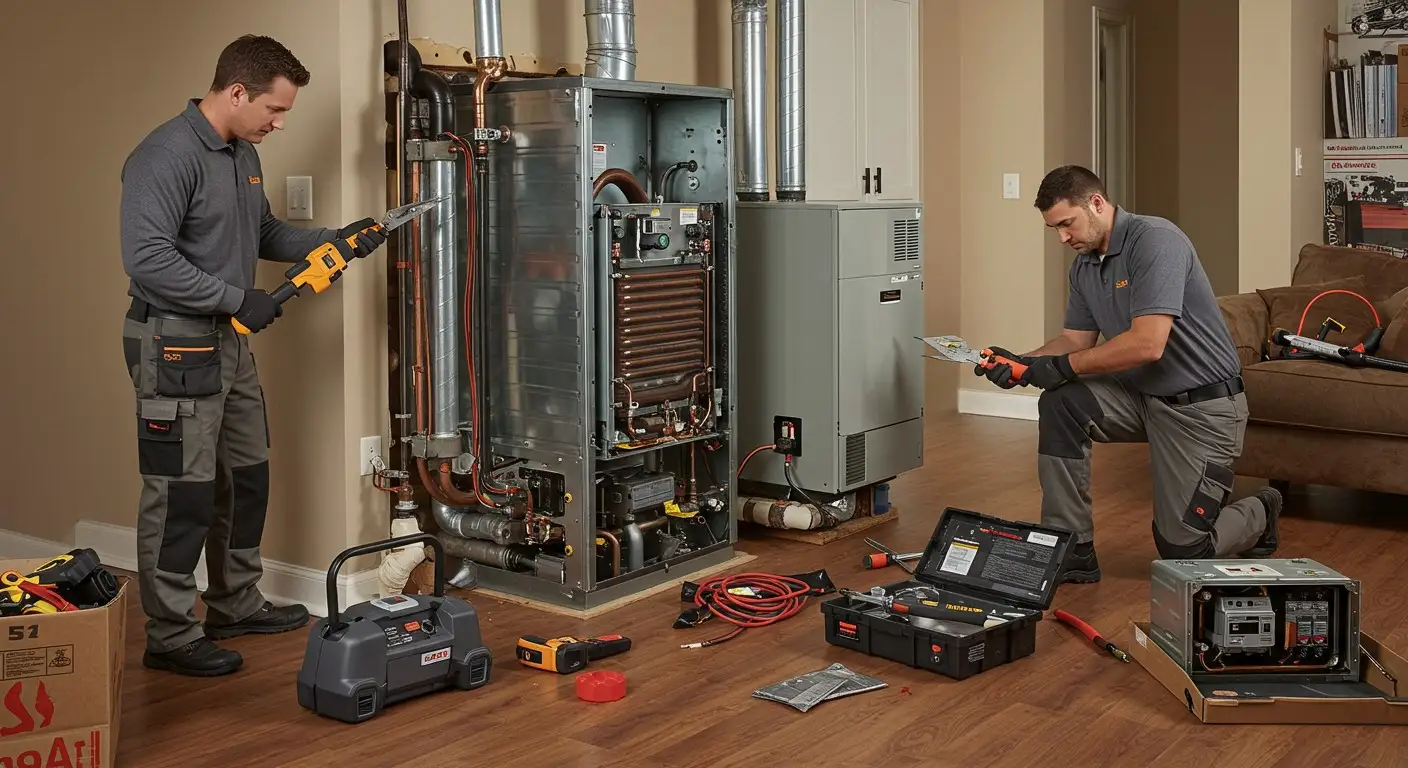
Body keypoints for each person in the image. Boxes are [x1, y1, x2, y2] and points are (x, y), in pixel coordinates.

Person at [119, 35, 387, 676]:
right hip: (174, 341)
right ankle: (171, 633)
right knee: (181, 492)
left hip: (226, 342)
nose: (279, 122)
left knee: (246, 476)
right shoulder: (165, 155)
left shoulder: (240, 154)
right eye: (275, 109)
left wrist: (333, 240)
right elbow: (148, 260)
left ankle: (234, 600)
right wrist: (237, 299)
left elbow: (262, 231)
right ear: (236, 92)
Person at [973, 165, 1281, 584]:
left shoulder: (1156, 241)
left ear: (1096, 204)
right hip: (1141, 397)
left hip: (1203, 407)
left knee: (1184, 550)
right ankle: (1071, 547)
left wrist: (1058, 368)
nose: (1062, 238)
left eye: (1067, 223)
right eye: (1054, 229)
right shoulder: (1085, 266)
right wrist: (1023, 363)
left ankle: (1262, 509)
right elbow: (1074, 341)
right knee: (1062, 402)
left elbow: (1147, 344)